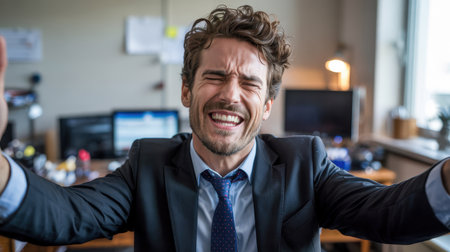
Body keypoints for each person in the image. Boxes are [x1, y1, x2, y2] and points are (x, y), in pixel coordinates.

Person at [0, 5, 449, 252]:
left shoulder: (304, 164)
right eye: (214, 76)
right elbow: (67, 215)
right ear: (186, 90)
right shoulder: (148, 164)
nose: (230, 95)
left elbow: (388, 212)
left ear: (267, 104)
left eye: (250, 83)